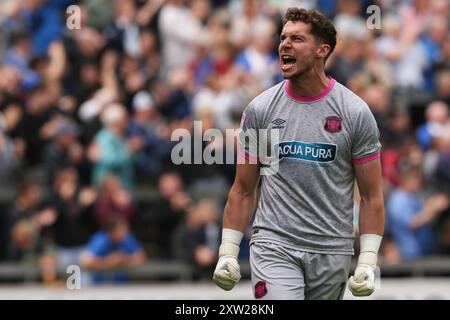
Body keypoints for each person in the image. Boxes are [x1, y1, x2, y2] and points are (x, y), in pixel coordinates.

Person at [213, 8, 385, 300]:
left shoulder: (355, 113)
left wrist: (367, 260)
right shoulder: (261, 110)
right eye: (282, 38)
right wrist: (228, 251)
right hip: (273, 245)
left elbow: (371, 196)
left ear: (322, 50)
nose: (285, 45)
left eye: (297, 38)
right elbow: (243, 189)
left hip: (332, 250)